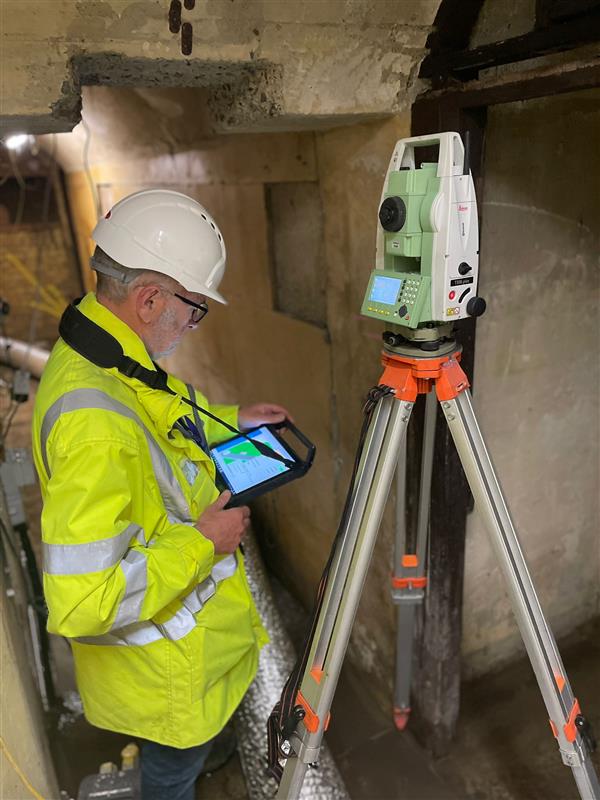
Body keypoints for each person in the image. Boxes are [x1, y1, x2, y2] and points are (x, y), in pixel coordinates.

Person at [32, 189, 290, 800]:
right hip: (164, 678)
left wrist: (231, 420)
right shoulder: (93, 425)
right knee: (172, 777)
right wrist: (204, 542)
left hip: (181, 660)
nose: (194, 325)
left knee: (194, 752)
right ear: (150, 299)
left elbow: (159, 408)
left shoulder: (104, 349)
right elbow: (82, 600)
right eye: (194, 310)